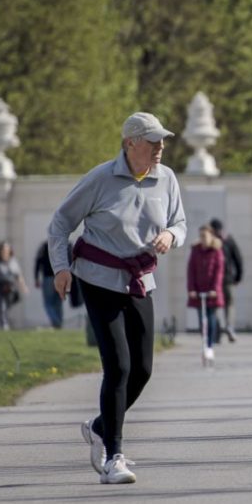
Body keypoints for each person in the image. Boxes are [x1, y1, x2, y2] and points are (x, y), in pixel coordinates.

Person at [48, 111, 186, 484]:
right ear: (130, 143)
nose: (160, 147)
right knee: (119, 367)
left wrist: (171, 236)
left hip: (140, 280)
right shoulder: (101, 178)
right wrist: (61, 268)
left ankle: (98, 428)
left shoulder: (166, 178)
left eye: (162, 140)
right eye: (153, 140)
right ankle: (113, 457)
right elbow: (61, 223)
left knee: (142, 370)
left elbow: (180, 222)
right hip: (98, 279)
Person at [187, 224, 224, 364]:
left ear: (211, 236)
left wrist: (215, 289)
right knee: (202, 320)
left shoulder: (216, 252)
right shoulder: (195, 251)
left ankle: (210, 345)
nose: (203, 239)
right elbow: (191, 271)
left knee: (211, 318)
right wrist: (191, 289)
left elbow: (219, 273)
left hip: (212, 292)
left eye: (205, 236)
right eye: (201, 236)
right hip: (199, 291)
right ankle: (205, 345)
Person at [209, 218, 242, 343]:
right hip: (229, 279)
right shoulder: (229, 240)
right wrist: (238, 276)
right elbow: (238, 259)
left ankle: (219, 329)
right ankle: (229, 327)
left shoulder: (211, 242)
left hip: (215, 281)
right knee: (230, 305)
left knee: (216, 306)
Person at [34, 240, 64, 328]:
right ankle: (59, 323)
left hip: (48, 278)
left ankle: (56, 322)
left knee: (48, 303)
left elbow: (38, 263)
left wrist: (36, 278)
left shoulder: (44, 247)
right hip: (59, 277)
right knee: (58, 302)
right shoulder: (61, 246)